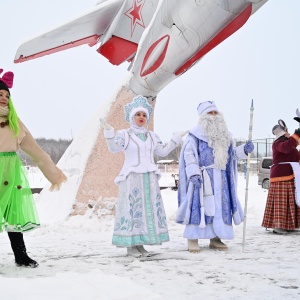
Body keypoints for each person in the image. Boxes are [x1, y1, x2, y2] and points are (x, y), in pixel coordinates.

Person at [100, 95, 184, 258]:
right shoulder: (125, 135)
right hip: (132, 177)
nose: (141, 117)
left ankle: (140, 244)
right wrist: (109, 133)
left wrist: (175, 140)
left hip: (149, 178)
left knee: (146, 211)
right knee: (133, 209)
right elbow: (113, 149)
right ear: (132, 116)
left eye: (144, 115)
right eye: (138, 114)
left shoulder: (152, 136)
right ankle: (131, 246)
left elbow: (163, 151)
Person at [0, 68, 67, 267]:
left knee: (13, 215)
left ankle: (21, 256)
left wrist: (54, 175)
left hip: (11, 176)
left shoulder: (15, 124)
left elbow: (37, 153)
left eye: (6, 95)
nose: (3, 98)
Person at [176, 101, 254, 252]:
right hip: (203, 178)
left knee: (220, 207)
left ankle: (216, 237)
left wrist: (244, 150)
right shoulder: (195, 135)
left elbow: (231, 156)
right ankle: (193, 238)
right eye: (209, 113)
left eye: (215, 113)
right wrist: (193, 173)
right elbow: (189, 154)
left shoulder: (226, 136)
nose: (213, 116)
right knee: (199, 207)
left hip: (222, 179)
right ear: (203, 116)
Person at [261, 120, 300, 234]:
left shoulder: (288, 144)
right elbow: (287, 147)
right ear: (283, 133)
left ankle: (287, 225)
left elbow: (294, 152)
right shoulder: (278, 143)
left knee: (289, 202)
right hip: (281, 178)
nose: (290, 134)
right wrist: (297, 132)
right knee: (281, 203)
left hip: (289, 176)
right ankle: (278, 226)